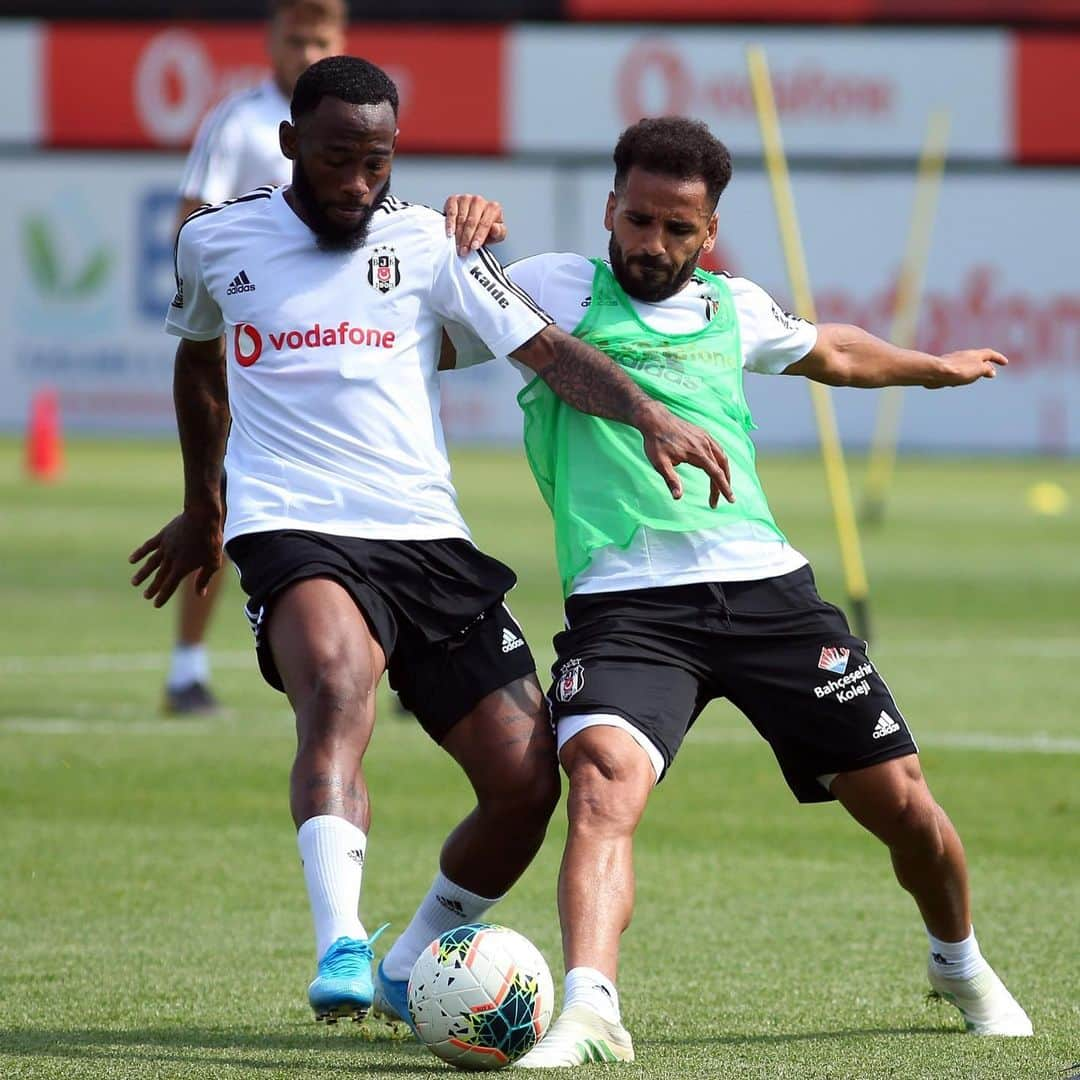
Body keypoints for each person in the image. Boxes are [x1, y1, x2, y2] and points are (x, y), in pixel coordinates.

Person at [129, 59, 731, 1026]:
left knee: (528, 780)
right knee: (336, 685)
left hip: (425, 537)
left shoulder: (431, 243)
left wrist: (648, 415)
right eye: (336, 160)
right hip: (292, 522)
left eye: (377, 161)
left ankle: (405, 962)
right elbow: (200, 366)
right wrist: (207, 503)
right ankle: (337, 940)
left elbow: (546, 350)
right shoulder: (215, 239)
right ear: (291, 147)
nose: (358, 183)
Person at [446, 117, 1033, 1065]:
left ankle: (958, 962)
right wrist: (462, 234)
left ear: (707, 233)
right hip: (628, 607)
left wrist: (934, 368)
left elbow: (833, 351)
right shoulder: (553, 286)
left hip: (769, 598)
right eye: (639, 220)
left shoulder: (733, 305)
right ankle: (592, 1008)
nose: (654, 245)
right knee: (600, 779)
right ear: (610, 208)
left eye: (679, 230)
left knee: (903, 806)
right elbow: (439, 325)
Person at [164, 0, 348, 715]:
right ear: (271, 41)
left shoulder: (352, 120)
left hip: (332, 350)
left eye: (320, 38)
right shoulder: (239, 122)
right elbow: (189, 223)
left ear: (340, 41)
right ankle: (186, 666)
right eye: (296, 37)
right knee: (217, 499)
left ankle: (395, 653)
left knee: (364, 489)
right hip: (253, 351)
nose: (307, 50)